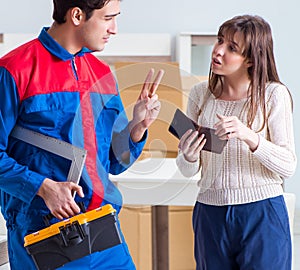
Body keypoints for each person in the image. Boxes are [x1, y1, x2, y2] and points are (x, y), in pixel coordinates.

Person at [0, 0, 164, 269]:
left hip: (104, 230)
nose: (114, 29)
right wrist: (42, 187)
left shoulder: (102, 75)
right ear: (77, 15)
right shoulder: (14, 70)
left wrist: (138, 126)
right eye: (108, 18)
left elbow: (113, 162)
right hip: (43, 235)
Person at [176, 14, 297, 270]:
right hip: (209, 212)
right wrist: (187, 156)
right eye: (220, 41)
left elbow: (288, 165)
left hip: (261, 212)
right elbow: (188, 170)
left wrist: (250, 137)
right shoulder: (200, 94)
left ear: (251, 59)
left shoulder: (273, 95)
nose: (218, 51)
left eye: (232, 48)